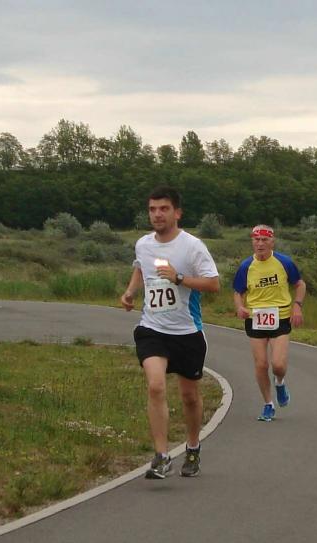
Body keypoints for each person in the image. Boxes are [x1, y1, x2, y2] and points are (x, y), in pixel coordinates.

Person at [121, 186, 220, 478]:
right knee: (155, 386)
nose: (157, 215)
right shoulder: (143, 244)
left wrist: (179, 278)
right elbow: (141, 268)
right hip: (152, 328)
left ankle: (193, 447)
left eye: (163, 209)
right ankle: (162, 456)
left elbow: (213, 284)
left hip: (187, 332)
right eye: (152, 209)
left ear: (177, 213)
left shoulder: (192, 246)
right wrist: (130, 292)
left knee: (189, 396)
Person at [233, 225, 306, 421]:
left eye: (264, 240)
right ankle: (268, 404)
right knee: (261, 364)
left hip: (280, 317)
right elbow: (238, 292)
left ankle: (280, 382)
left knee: (278, 365)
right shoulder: (246, 266)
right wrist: (240, 307)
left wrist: (297, 306)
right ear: (252, 242)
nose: (260, 244)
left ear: (272, 242)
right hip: (255, 318)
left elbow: (300, 284)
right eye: (256, 240)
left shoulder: (284, 262)